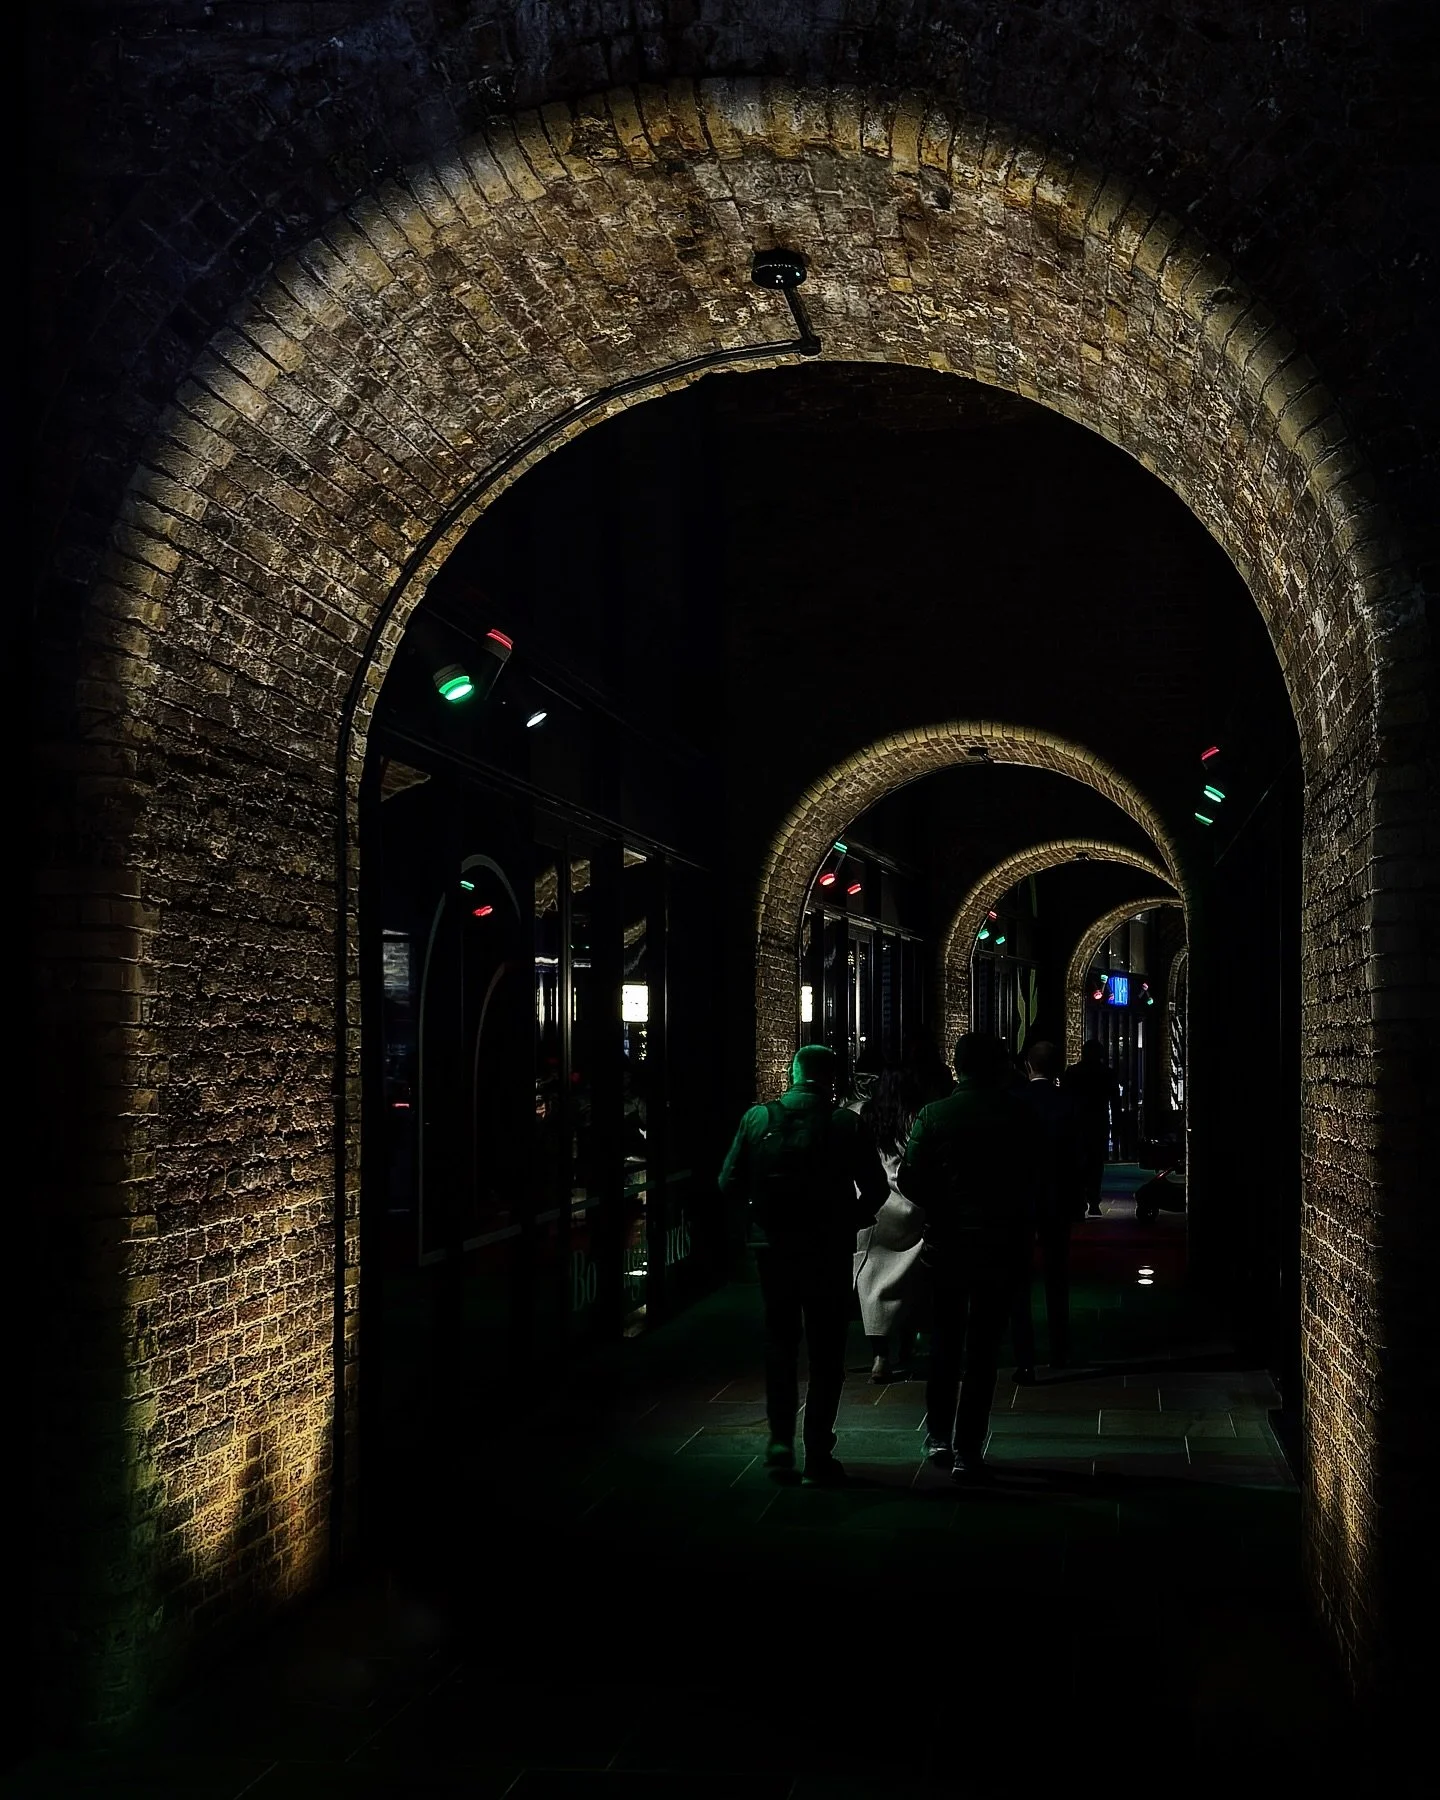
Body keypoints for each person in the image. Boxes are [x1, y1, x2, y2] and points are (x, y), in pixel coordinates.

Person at [720, 1044, 889, 1486]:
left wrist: (757, 1219)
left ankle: (779, 1441)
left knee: (780, 1342)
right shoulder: (844, 1123)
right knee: (826, 1351)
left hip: (772, 1248)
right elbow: (875, 1187)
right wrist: (852, 1219)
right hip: (827, 1250)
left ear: (793, 1072)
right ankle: (817, 1452)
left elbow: (727, 1181)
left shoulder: (759, 1118)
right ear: (832, 1079)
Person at [897, 1032, 1036, 1482]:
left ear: (958, 1066)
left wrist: (943, 1204)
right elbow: (1037, 1176)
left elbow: (910, 1178)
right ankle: (968, 1447)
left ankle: (938, 1433)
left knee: (945, 1341)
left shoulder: (935, 1115)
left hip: (949, 1243)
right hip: (1000, 1242)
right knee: (983, 1350)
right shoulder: (1018, 1114)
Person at [1010, 1040, 1084, 1378]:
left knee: (1019, 1282)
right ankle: (1060, 1350)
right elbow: (1077, 1156)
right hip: (1057, 1198)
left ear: (1029, 1065)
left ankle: (1025, 1358)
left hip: (1021, 1199)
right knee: (1057, 1277)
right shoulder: (1069, 1103)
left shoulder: (1014, 1101)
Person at [854, 1065, 928, 1382]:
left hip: (872, 1206)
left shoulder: (861, 1116)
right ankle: (907, 1345)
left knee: (872, 1285)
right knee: (909, 1282)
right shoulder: (915, 1118)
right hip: (909, 1207)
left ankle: (880, 1356)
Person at [1061, 1039, 1121, 1218]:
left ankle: (1078, 1204)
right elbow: (1115, 1102)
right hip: (1098, 1122)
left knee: (1077, 1164)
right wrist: (1116, 1125)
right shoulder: (1107, 1073)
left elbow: (1064, 1098)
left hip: (1076, 1123)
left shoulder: (1072, 1072)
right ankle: (1094, 1201)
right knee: (1096, 1164)